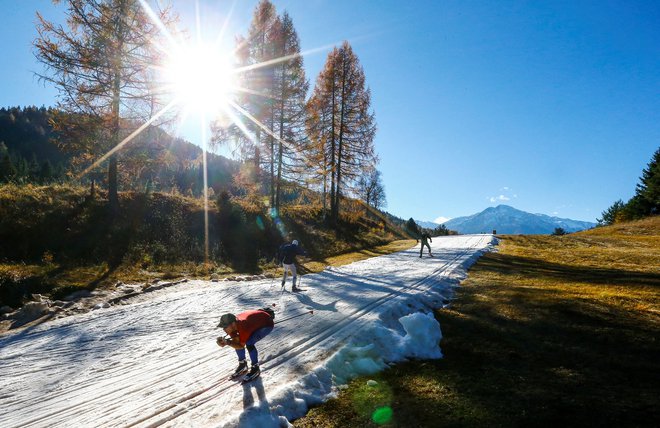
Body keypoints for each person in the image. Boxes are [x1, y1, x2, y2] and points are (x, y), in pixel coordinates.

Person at [216, 309, 275, 381]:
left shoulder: (243, 327)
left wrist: (228, 342)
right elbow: (236, 341)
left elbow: (241, 346)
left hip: (267, 324)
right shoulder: (233, 326)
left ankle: (255, 368)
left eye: (225, 327)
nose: (224, 329)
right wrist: (226, 342)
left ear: (233, 324)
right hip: (256, 319)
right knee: (240, 340)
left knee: (249, 342)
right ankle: (243, 364)